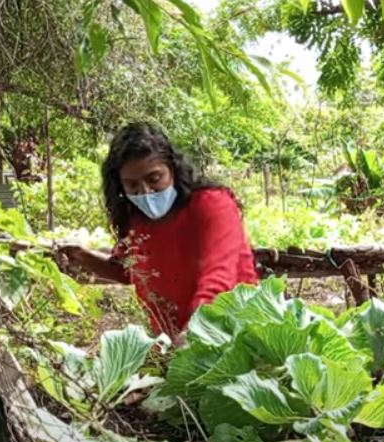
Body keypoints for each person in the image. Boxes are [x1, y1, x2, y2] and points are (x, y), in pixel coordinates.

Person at [59, 121, 258, 342]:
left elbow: (219, 276)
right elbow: (130, 271)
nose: (145, 192)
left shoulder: (211, 204)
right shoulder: (137, 221)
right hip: (173, 343)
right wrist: (82, 257)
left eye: (154, 179)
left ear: (172, 169)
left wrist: (196, 332)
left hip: (232, 334)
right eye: (132, 185)